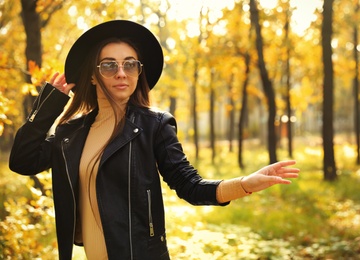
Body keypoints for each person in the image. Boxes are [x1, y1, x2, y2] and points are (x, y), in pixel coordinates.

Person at [9, 20, 299, 260]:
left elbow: (189, 186)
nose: (121, 73)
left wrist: (245, 184)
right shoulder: (72, 133)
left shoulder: (154, 125)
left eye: (130, 64)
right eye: (109, 65)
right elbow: (22, 161)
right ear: (94, 76)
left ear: (138, 72)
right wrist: (48, 106)